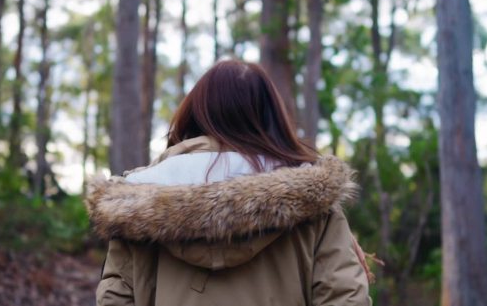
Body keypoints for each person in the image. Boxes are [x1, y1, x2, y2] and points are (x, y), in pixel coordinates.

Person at [86, 60, 371, 306]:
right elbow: (345, 298)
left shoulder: (136, 202)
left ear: (195, 112)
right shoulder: (315, 202)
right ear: (272, 117)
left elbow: (116, 298)